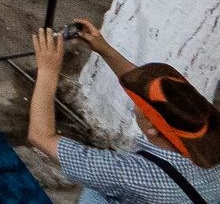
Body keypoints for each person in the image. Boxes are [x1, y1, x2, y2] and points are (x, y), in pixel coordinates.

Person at [27, 19, 220, 204]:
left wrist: (48, 71)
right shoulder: (206, 138)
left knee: (96, 192)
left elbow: (40, 137)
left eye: (139, 103)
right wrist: (105, 50)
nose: (135, 100)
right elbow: (144, 87)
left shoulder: (131, 174)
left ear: (152, 127)